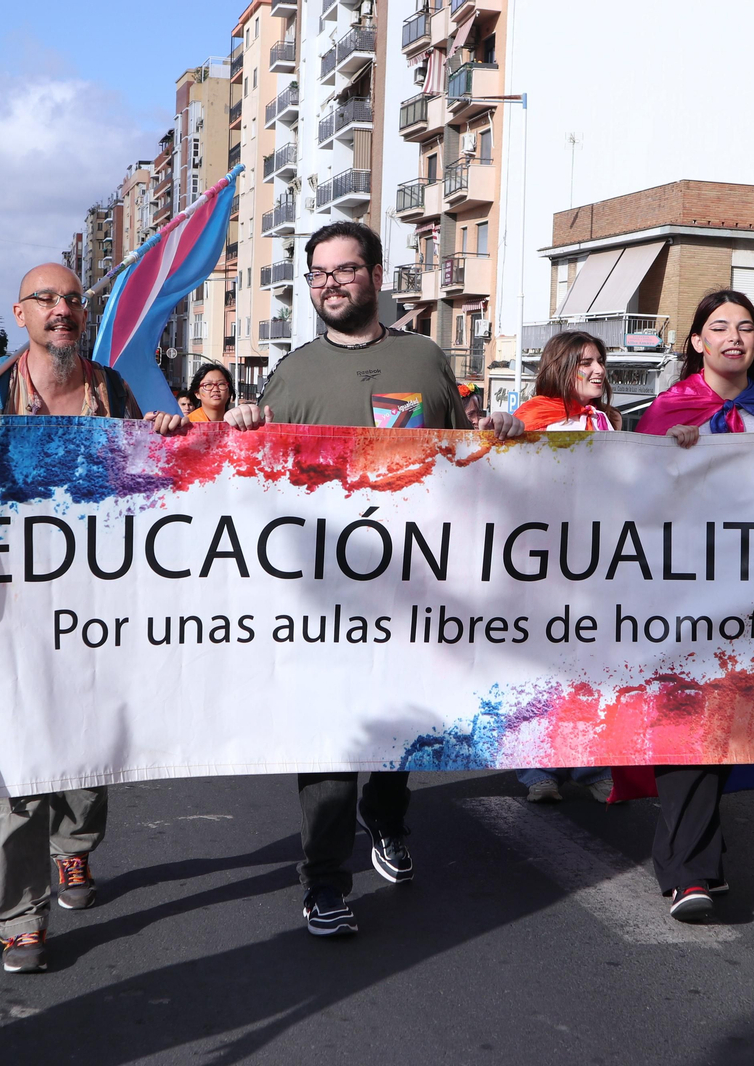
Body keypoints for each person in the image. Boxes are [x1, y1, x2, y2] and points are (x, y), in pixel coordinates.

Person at [225, 220, 523, 937]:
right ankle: (324, 883)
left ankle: (386, 820)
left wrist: (505, 438)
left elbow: (466, 460)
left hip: (413, 596)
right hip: (322, 602)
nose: (331, 285)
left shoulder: (424, 361)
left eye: (345, 270)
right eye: (318, 275)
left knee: (396, 733)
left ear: (377, 275)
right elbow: (253, 484)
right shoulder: (292, 374)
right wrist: (241, 426)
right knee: (329, 744)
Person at [0, 262, 187, 975]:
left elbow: (161, 488)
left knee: (88, 744)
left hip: (99, 612)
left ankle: (75, 849)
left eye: (73, 300)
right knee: (17, 761)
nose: (62, 310)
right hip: (9, 615)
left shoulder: (115, 389)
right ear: (21, 312)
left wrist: (162, 434)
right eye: (47, 300)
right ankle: (19, 916)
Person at [633, 289, 754, 922]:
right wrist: (665, 459)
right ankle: (691, 872)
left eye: (747, 328)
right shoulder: (666, 411)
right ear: (697, 343)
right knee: (686, 718)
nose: (734, 338)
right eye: (719, 327)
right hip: (678, 593)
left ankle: (697, 853)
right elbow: (630, 500)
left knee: (730, 722)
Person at [510, 330, 621, 803]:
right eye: (585, 363)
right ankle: (537, 768)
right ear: (560, 368)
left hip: (597, 561)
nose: (597, 371)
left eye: (599, 362)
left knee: (592, 662)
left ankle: (588, 762)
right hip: (542, 562)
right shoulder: (531, 416)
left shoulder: (608, 421)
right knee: (540, 664)